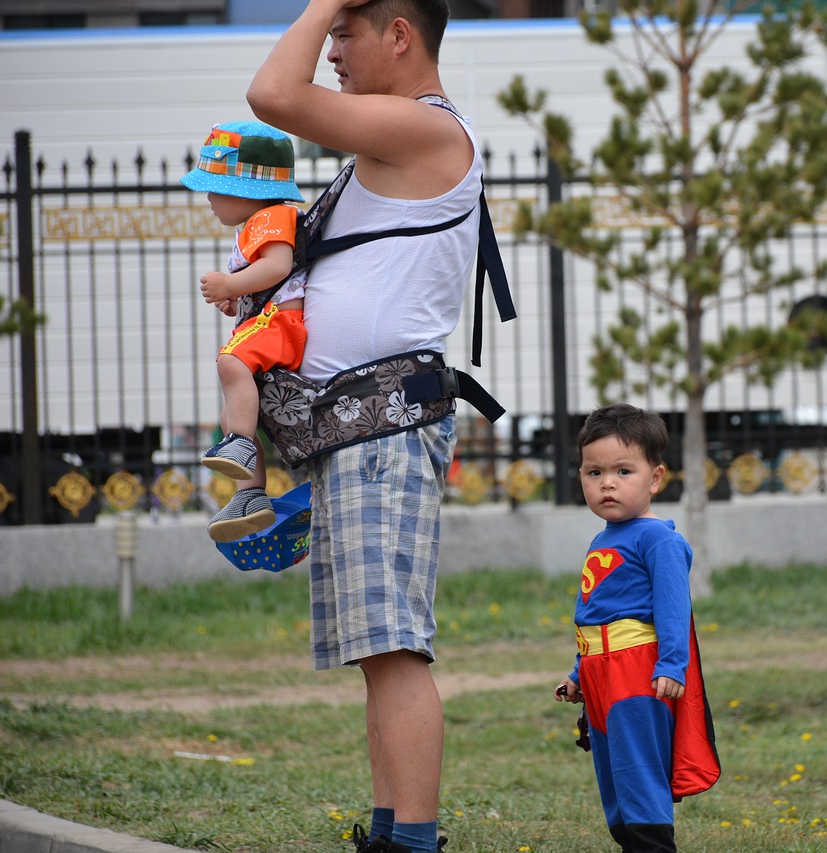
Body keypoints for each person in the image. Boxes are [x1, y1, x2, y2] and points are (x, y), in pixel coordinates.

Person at [247, 1, 488, 851]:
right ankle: (390, 831)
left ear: (399, 35)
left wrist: (317, 3)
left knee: (394, 648)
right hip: (358, 429)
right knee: (374, 651)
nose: (332, 51)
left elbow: (273, 94)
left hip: (382, 428)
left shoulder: (422, 129)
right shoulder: (383, 145)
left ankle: (413, 842)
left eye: (346, 33)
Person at [555, 404, 720, 853]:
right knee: (614, 779)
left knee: (639, 773)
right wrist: (577, 673)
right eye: (594, 473)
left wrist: (672, 664)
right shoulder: (603, 537)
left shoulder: (658, 539)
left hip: (637, 674)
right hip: (599, 674)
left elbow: (673, 608)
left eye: (623, 471)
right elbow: (596, 610)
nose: (607, 483)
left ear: (655, 478)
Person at [180, 120, 306, 543]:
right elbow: (268, 280)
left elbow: (278, 267)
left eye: (216, 189)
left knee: (230, 363)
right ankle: (251, 496)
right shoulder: (255, 225)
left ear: (247, 189)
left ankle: (240, 448)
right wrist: (239, 300)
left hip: (281, 324)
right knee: (230, 413)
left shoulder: (271, 216)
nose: (210, 199)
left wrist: (231, 284)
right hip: (267, 320)